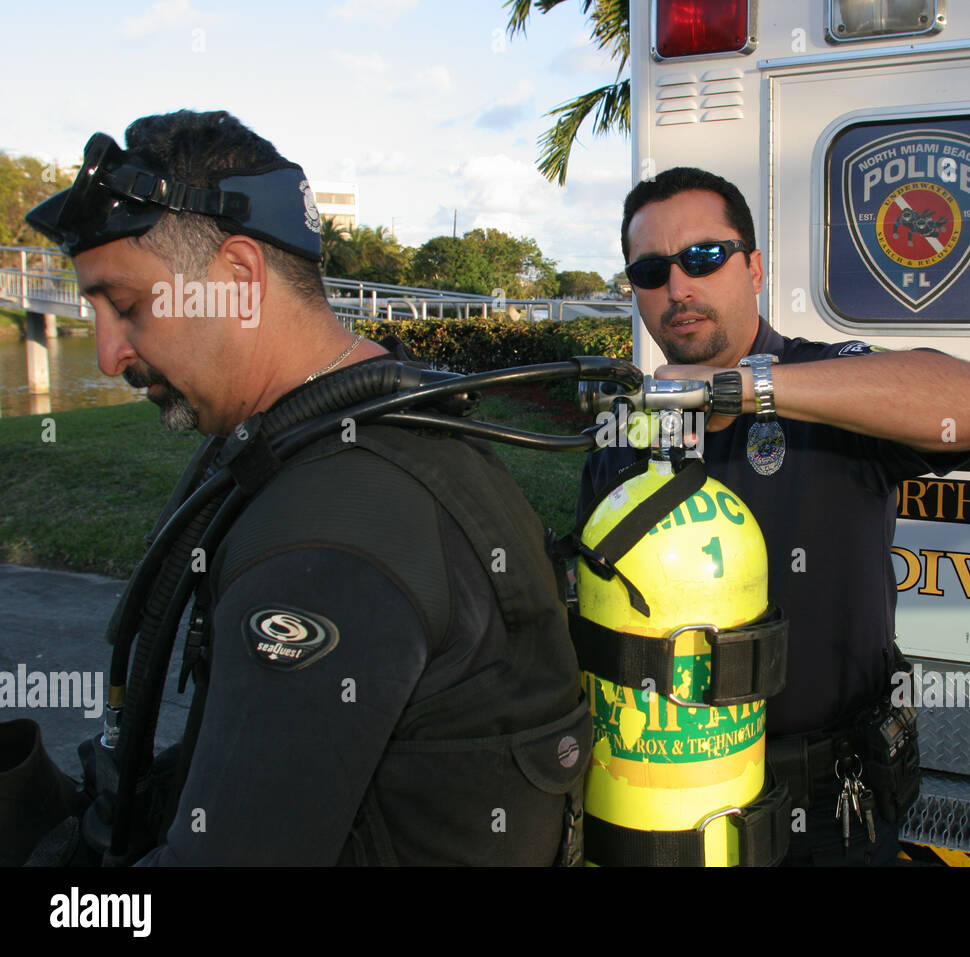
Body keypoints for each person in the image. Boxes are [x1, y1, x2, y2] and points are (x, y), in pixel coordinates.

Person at [23, 110, 589, 865]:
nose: (106, 355)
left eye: (127, 307)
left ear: (238, 280)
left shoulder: (329, 536)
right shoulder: (381, 434)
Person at [578, 167, 970, 865]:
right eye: (650, 269)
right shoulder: (628, 436)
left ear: (754, 268)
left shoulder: (829, 387)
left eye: (702, 257)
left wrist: (742, 389)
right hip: (669, 808)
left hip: (828, 812)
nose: (678, 287)